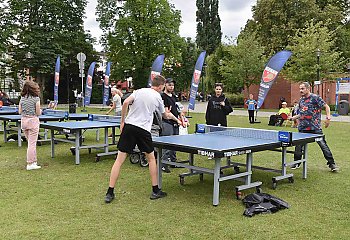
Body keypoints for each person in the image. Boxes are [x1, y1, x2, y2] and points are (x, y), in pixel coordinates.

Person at [104, 75, 182, 204]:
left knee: (119, 161)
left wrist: (122, 121)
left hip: (129, 127)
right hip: (143, 130)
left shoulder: (139, 91)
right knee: (151, 159)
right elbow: (165, 115)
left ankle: (109, 192)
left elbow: (125, 102)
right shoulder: (158, 97)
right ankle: (155, 190)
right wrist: (177, 119)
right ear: (161, 86)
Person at [289, 82, 339, 172]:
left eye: (302, 88)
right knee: (298, 146)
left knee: (323, 145)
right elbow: (301, 114)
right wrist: (293, 118)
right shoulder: (301, 100)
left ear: (308, 89)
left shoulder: (315, 98)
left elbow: (326, 106)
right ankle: (297, 162)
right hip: (302, 128)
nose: (300, 90)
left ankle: (332, 164)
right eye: (300, 89)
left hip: (315, 128)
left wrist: (328, 117)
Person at [160, 78, 187, 173]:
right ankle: (163, 164)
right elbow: (167, 113)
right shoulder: (163, 96)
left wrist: (183, 120)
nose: (171, 87)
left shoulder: (174, 97)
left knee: (174, 144)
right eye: (169, 85)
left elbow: (179, 110)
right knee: (167, 144)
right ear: (165, 85)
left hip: (176, 123)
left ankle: (173, 161)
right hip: (167, 123)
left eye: (172, 85)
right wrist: (177, 120)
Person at [18, 81, 42, 170]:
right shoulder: (36, 99)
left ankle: (34, 161)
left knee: (30, 143)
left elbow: (20, 111)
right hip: (33, 121)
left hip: (24, 121)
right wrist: (41, 111)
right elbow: (38, 112)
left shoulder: (22, 98)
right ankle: (30, 163)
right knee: (32, 143)